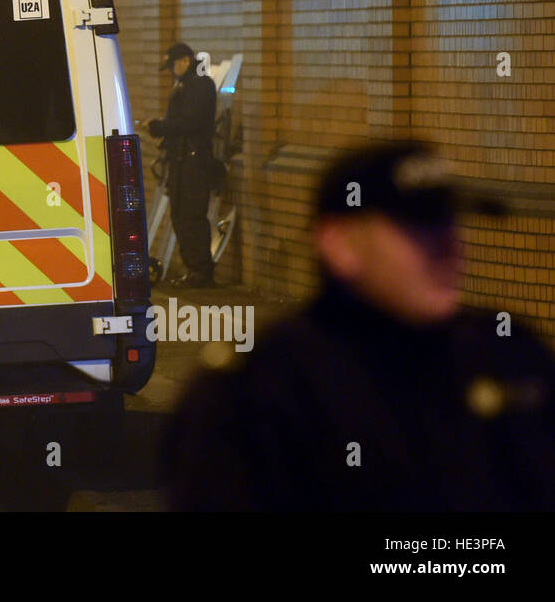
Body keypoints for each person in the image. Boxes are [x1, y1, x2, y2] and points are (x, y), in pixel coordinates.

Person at [162, 138, 555, 510]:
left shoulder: (510, 358)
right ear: (340, 244)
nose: (449, 246)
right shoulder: (259, 391)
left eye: (448, 222)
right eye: (418, 227)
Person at [147, 42, 217, 288]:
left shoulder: (199, 85)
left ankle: (201, 271)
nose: (171, 71)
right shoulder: (187, 84)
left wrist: (162, 127)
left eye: (173, 65)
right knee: (180, 215)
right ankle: (193, 269)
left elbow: (190, 121)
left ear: (185, 60)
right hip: (181, 158)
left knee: (191, 216)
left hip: (194, 160)